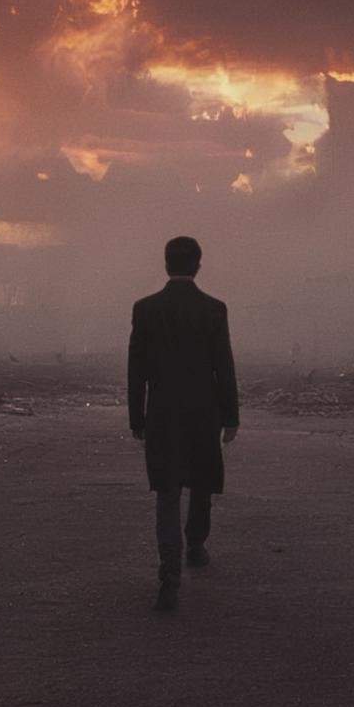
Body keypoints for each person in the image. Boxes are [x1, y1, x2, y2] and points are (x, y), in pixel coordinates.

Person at [128, 236, 239, 612]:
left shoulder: (145, 310)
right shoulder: (214, 310)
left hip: (162, 414)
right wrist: (231, 416)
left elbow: (136, 371)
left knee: (168, 491)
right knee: (202, 481)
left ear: (165, 264)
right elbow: (223, 367)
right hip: (202, 413)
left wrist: (136, 418)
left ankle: (169, 571)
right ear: (198, 265)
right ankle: (195, 545)